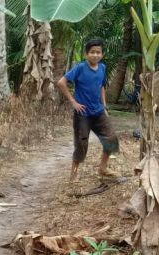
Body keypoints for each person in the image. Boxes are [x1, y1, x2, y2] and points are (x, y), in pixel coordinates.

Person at [56, 38, 121, 183]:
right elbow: (61, 82)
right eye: (92, 52)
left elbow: (101, 87)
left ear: (102, 54)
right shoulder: (80, 68)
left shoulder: (102, 68)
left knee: (111, 138)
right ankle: (74, 174)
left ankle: (103, 168)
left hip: (98, 112)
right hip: (82, 114)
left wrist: (104, 106)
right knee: (81, 143)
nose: (95, 55)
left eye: (98, 52)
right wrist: (73, 102)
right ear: (86, 54)